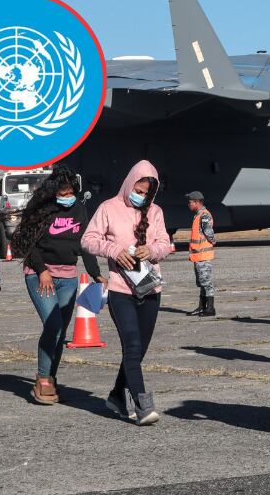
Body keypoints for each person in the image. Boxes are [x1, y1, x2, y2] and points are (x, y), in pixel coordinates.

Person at [82, 160, 171, 425]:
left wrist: (152, 251)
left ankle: (116, 397)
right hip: (121, 290)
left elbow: (166, 244)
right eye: (138, 190)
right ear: (129, 183)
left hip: (150, 288)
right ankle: (143, 404)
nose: (141, 196)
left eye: (147, 193)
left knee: (138, 351)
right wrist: (112, 250)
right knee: (131, 346)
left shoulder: (155, 212)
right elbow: (88, 240)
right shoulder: (108, 208)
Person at [11, 165, 106, 405]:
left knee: (60, 330)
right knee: (52, 324)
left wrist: (96, 274)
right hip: (41, 274)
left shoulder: (80, 209)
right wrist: (42, 271)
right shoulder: (43, 209)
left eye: (69, 193)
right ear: (53, 192)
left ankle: (50, 377)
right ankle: (42, 378)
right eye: (61, 194)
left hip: (68, 277)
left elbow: (86, 243)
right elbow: (28, 243)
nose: (66, 197)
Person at [185, 191, 217, 317]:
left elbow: (208, 232)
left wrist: (213, 241)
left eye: (190, 202)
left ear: (197, 202)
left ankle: (210, 308)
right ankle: (201, 307)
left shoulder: (204, 215)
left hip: (203, 255)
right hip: (198, 256)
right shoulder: (198, 215)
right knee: (202, 282)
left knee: (207, 282)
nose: (188, 204)